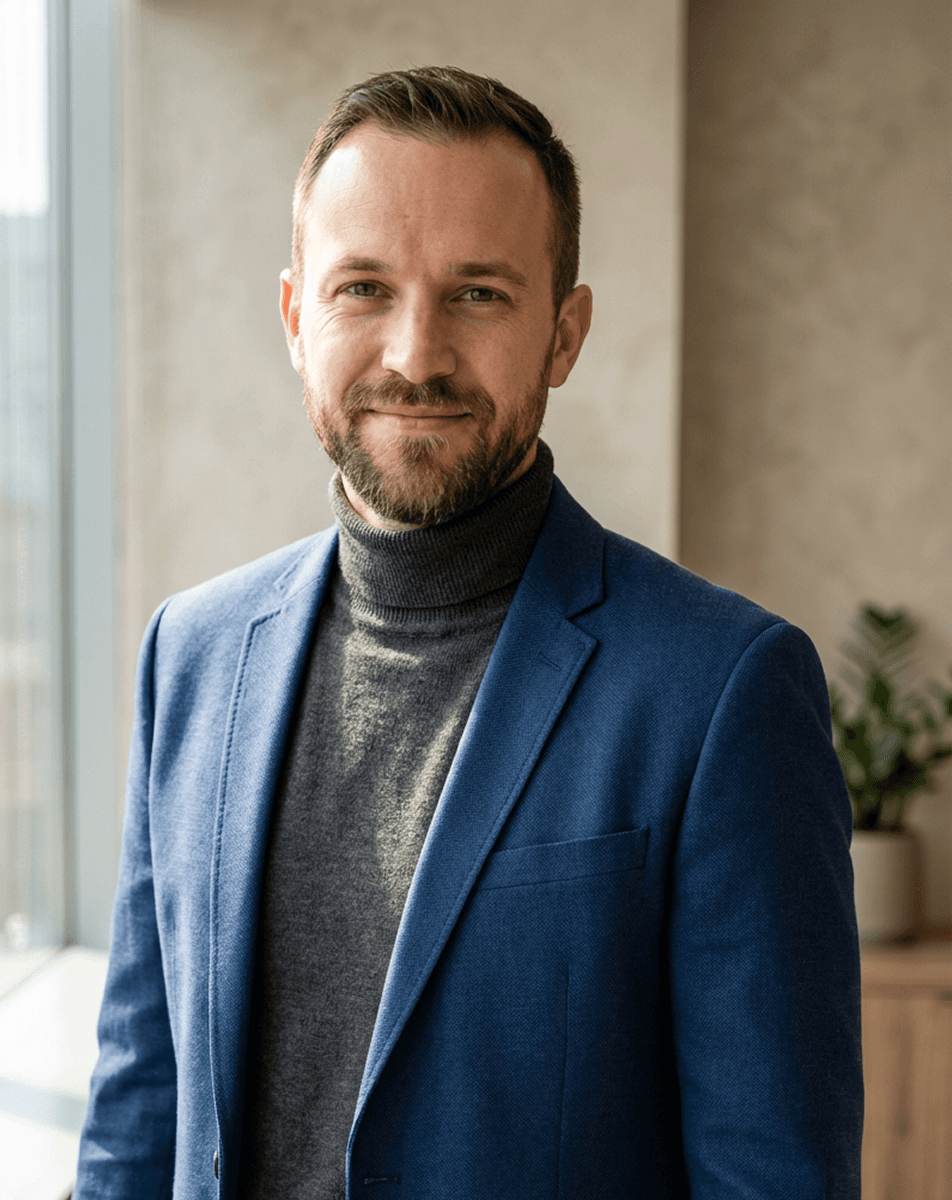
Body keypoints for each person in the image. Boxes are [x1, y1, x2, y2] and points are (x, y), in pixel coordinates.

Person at [74, 66, 862, 1200]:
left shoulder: (720, 692)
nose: (414, 353)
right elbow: (136, 1127)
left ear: (565, 331)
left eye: (478, 293)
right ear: (298, 318)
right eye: (362, 288)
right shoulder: (190, 656)